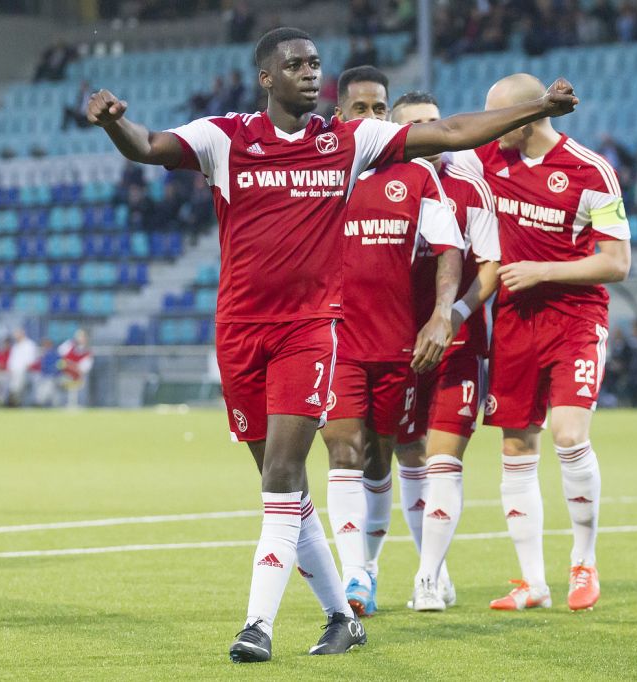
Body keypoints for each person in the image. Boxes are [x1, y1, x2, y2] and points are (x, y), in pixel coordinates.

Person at [87, 27, 578, 662]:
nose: (311, 74)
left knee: (284, 476)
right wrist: (112, 123)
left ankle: (257, 626)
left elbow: (452, 133)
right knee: (281, 487)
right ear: (267, 77)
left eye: (317, 64)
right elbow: (150, 146)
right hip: (238, 333)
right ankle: (342, 617)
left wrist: (538, 107)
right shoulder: (226, 138)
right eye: (296, 65)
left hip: (309, 331)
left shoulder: (348, 141)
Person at [453, 73, 630, 612]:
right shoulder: (485, 160)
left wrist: (541, 270)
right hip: (512, 322)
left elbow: (617, 262)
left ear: (529, 117)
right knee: (515, 446)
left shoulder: (591, 171)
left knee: (569, 433)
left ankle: (584, 562)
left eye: (501, 117)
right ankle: (533, 582)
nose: (493, 127)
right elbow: (436, 152)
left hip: (576, 319)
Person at [319, 69, 463, 618]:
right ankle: (354, 578)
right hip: (335, 339)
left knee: (382, 459)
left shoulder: (418, 176)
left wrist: (440, 315)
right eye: (360, 109)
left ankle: (371, 566)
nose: (372, 119)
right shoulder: (321, 173)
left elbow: (448, 247)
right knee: (344, 451)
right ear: (340, 116)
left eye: (380, 108)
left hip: (396, 342)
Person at [390, 92, 501, 613]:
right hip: (393, 347)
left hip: (458, 344)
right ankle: (432, 563)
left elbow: (490, 269)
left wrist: (452, 316)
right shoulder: (378, 184)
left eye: (437, 122)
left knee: (443, 459)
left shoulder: (468, 186)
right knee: (407, 456)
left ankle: (428, 577)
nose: (433, 132)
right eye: (419, 126)